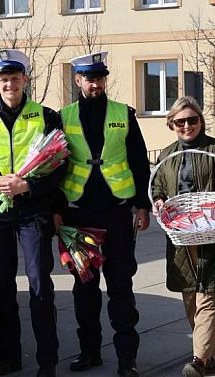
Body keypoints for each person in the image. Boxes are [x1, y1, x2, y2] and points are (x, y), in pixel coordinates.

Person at [0, 49, 62, 377]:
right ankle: (10, 357)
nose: (9, 85)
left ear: (25, 80)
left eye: (15, 79)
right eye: (3, 80)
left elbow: (60, 165)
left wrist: (28, 185)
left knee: (39, 286)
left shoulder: (45, 115)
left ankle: (48, 361)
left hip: (33, 212)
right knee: (3, 288)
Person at [57, 52, 151, 377]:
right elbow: (55, 168)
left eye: (100, 78)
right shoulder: (63, 116)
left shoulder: (123, 114)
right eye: (89, 78)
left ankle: (128, 359)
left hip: (117, 215)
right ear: (77, 80)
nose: (95, 83)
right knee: (85, 289)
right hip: (78, 216)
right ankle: (89, 352)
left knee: (121, 287)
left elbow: (139, 161)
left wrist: (143, 205)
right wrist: (56, 212)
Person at [150, 96, 215, 377]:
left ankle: (197, 361)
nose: (187, 126)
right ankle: (214, 358)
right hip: (181, 240)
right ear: (172, 124)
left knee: (209, 298)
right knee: (190, 301)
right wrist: (158, 202)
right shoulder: (167, 156)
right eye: (180, 122)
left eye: (192, 120)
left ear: (201, 121)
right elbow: (158, 188)